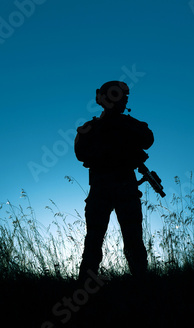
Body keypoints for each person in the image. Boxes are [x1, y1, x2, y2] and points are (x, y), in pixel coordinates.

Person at [74, 81, 154, 281]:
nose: (124, 101)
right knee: (99, 239)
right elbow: (81, 153)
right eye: (121, 98)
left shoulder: (121, 124)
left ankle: (88, 283)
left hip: (115, 187)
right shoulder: (93, 127)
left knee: (127, 239)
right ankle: (139, 284)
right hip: (112, 187)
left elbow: (148, 139)